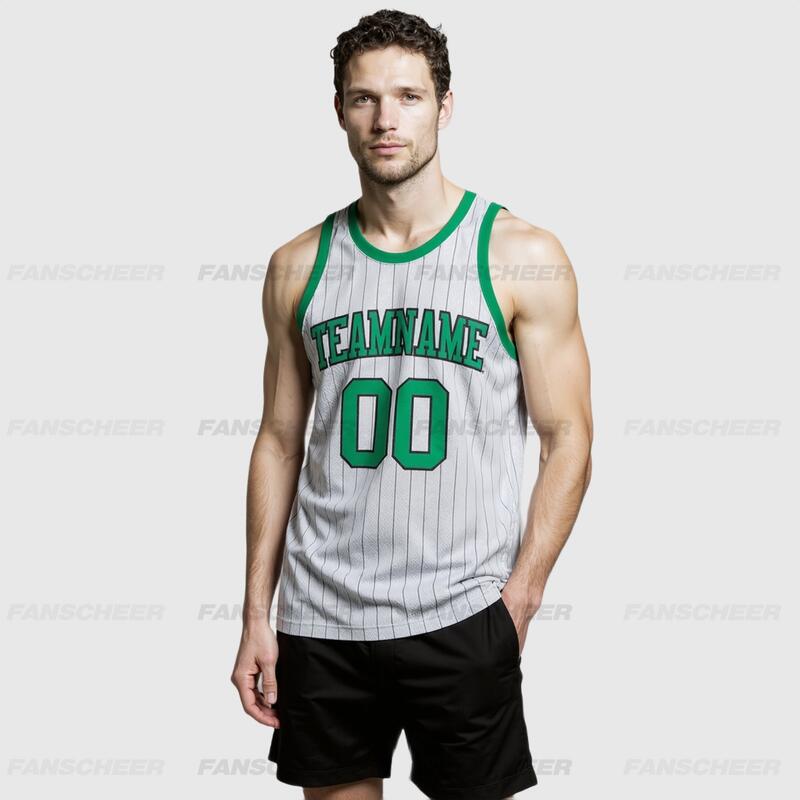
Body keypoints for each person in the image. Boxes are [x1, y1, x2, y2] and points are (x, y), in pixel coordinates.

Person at [231, 9, 593, 799]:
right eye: (364, 98)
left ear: (444, 106)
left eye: (408, 96)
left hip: (461, 614)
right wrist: (256, 613)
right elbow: (279, 440)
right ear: (339, 111)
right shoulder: (297, 264)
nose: (385, 119)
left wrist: (521, 599)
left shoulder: (520, 254)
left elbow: (568, 436)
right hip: (321, 620)